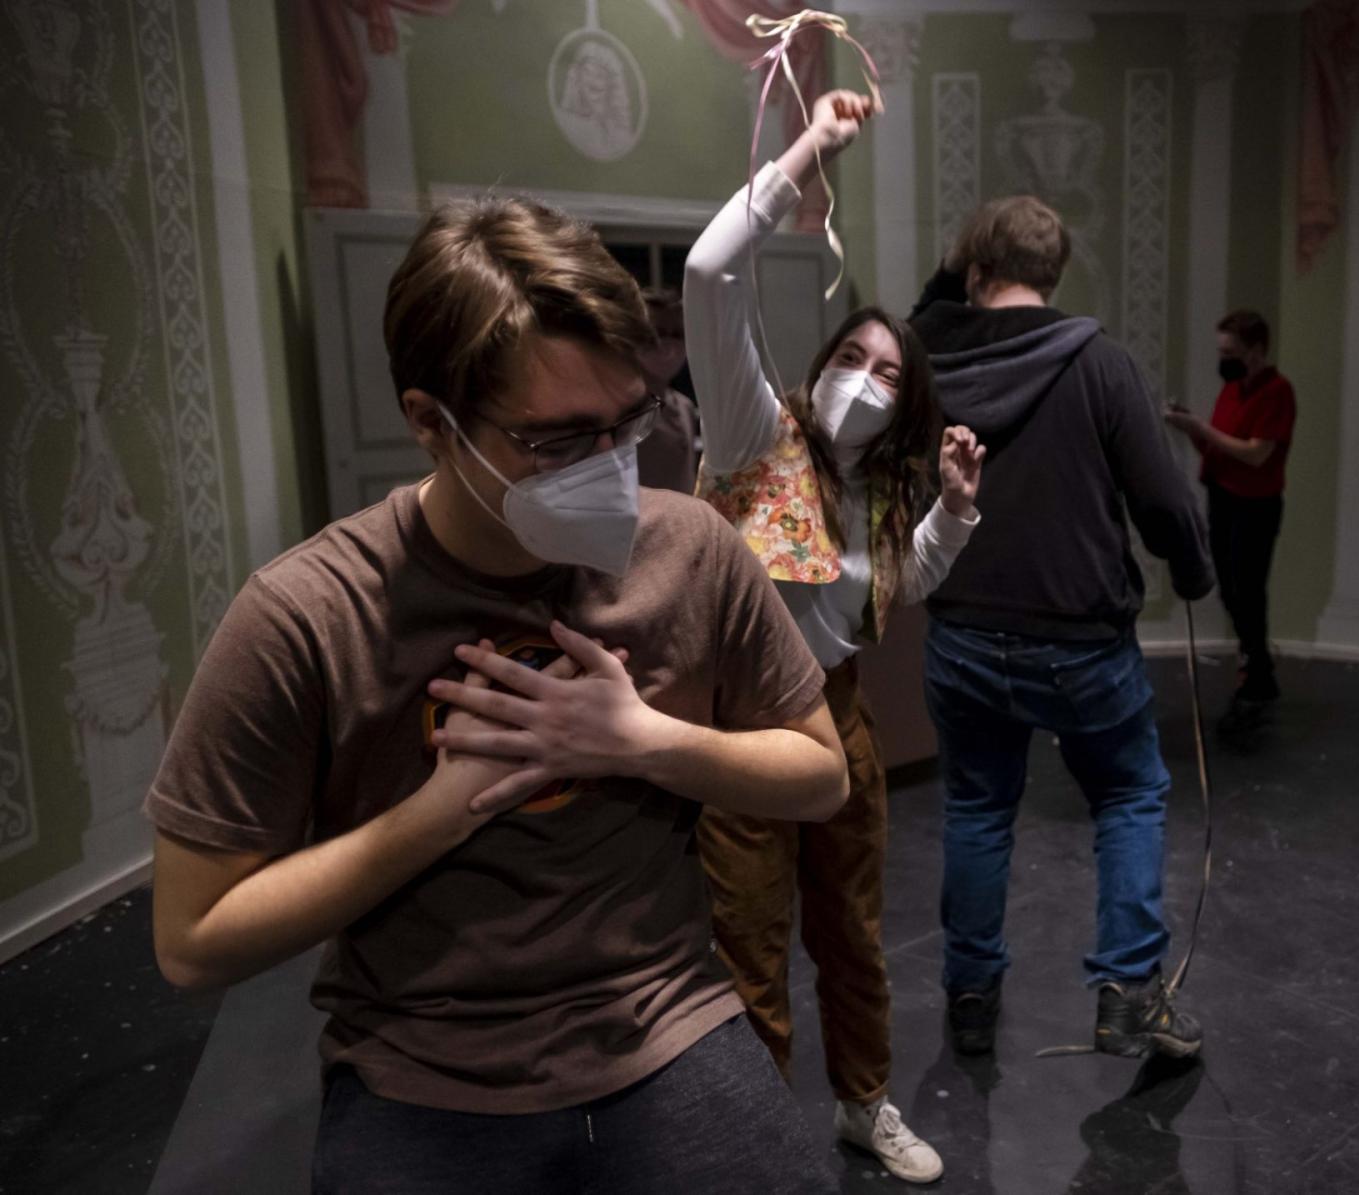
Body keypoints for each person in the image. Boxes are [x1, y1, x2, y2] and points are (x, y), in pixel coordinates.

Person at [143, 192, 852, 1194]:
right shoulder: (305, 615)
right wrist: (441, 809)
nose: (609, 468)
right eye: (557, 442)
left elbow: (820, 774)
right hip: (425, 1064)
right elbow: (191, 939)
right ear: (431, 424)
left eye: (626, 422)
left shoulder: (691, 551)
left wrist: (638, 740)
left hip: (666, 1022)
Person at [684, 90, 984, 1186]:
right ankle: (761, 1142)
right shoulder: (750, 430)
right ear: (819, 360)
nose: (863, 377)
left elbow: (894, 590)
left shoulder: (887, 490)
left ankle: (864, 1105)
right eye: (852, 355)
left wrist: (951, 506)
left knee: (852, 939)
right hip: (747, 732)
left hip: (842, 722)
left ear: (909, 405)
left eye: (890, 372)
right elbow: (709, 277)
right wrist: (808, 151)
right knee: (750, 948)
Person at [908, 195, 1214, 1061]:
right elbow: (1161, 498)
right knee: (1128, 794)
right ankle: (1127, 992)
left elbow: (918, 314)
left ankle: (970, 1000)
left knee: (976, 809)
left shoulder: (929, 360)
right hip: (1082, 640)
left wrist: (954, 269)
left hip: (964, 629)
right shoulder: (1100, 362)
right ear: (1053, 274)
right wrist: (1193, 573)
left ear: (974, 270)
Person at [1165, 309, 1295, 724]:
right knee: (1229, 588)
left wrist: (1200, 428)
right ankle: (1255, 662)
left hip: (1255, 503)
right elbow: (1222, 448)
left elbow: (1257, 454)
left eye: (1232, 351)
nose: (1224, 358)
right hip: (1223, 497)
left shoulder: (1277, 392)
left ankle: (1257, 670)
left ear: (1257, 350)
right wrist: (1192, 429)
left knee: (1248, 588)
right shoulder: (1233, 390)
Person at [635, 286, 701, 493]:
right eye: (658, 333)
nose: (668, 343)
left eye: (677, 334)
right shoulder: (620, 409)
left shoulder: (685, 407)